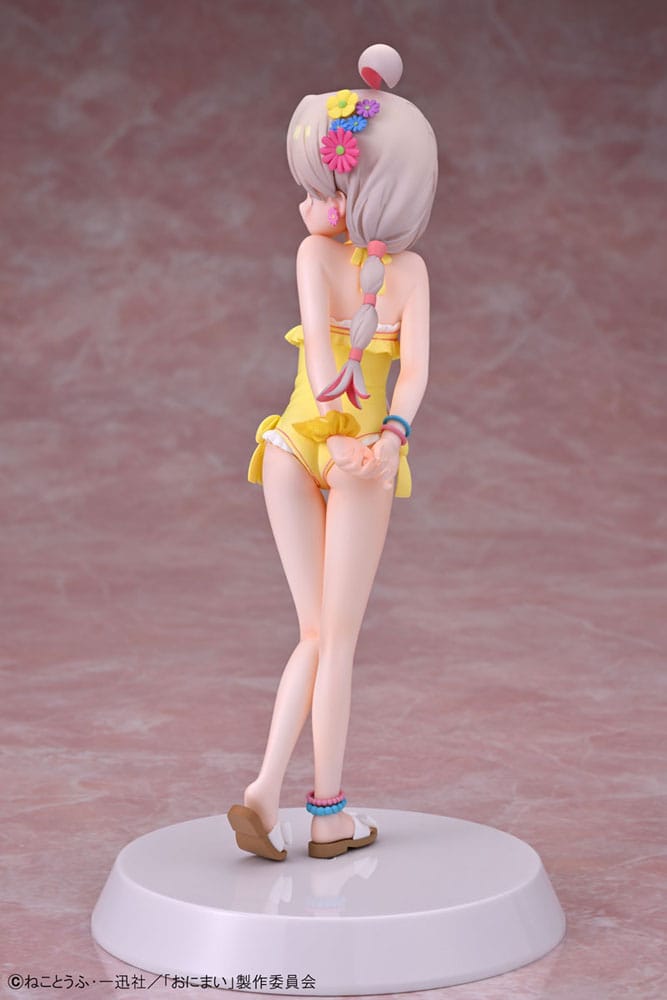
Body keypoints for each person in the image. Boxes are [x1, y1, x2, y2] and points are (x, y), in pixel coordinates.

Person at [227, 43, 438, 860]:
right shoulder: (407, 275)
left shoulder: (318, 256)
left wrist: (374, 429)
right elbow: (403, 378)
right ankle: (326, 815)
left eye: (322, 189)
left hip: (293, 444)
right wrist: (384, 437)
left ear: (364, 194)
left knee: (313, 632)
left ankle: (260, 790)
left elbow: (323, 372)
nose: (308, 204)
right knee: (335, 640)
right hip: (355, 458)